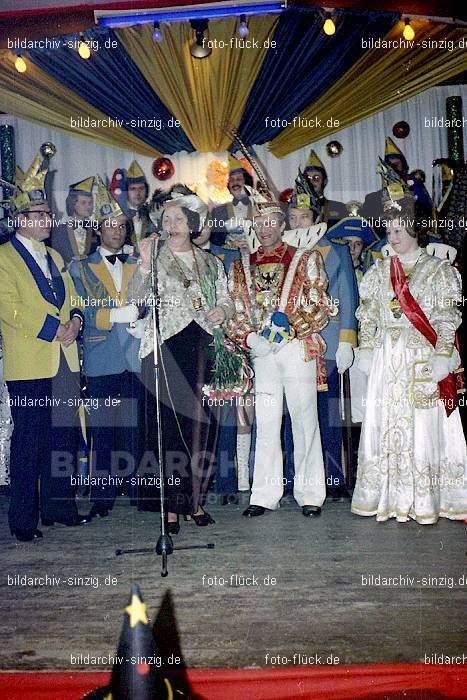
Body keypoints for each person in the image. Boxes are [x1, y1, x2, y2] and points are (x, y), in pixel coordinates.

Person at [352, 196, 466, 524]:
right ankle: (387, 497)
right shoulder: (378, 272)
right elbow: (370, 315)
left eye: (400, 230)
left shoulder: (438, 271)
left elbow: (446, 316)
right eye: (389, 231)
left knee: (425, 431)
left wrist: (444, 354)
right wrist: (368, 347)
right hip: (387, 359)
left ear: (415, 229)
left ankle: (428, 499)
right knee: (385, 426)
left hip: (422, 356)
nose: (394, 237)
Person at [127, 187, 234, 534]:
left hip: (203, 348)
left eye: (177, 219)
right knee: (168, 428)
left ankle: (194, 500)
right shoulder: (154, 259)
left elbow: (227, 300)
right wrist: (143, 264)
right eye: (165, 219)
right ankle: (170, 506)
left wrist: (223, 311)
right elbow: (134, 300)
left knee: (201, 427)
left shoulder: (211, 262)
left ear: (191, 224)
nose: (171, 224)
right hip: (165, 349)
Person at [227, 188, 336, 518]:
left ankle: (310, 494)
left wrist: (292, 328)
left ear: (281, 224)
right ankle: (264, 494)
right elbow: (237, 310)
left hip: (297, 348)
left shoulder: (305, 257)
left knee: (305, 420)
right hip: (263, 354)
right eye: (259, 223)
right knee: (267, 421)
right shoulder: (241, 265)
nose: (265, 229)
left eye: (272, 222)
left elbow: (321, 305)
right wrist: (249, 338)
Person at [0, 146, 88, 541]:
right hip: (31, 361)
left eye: (47, 214)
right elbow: (9, 307)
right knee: (29, 441)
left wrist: (76, 320)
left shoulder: (54, 255)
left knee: (62, 438)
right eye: (40, 215)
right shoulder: (4, 257)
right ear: (21, 219)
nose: (47, 219)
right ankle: (22, 520)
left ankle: (59, 508)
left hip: (64, 360)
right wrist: (54, 328)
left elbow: (73, 298)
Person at [69, 176, 142, 518]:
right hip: (101, 359)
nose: (117, 232)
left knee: (134, 429)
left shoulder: (136, 265)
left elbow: (147, 301)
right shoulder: (80, 268)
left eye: (122, 226)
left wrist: (142, 315)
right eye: (110, 226)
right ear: (98, 230)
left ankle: (138, 490)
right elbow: (79, 308)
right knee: (103, 432)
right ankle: (102, 495)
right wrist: (113, 314)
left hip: (135, 358)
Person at [287, 191, 359, 499]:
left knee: (327, 415)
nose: (297, 223)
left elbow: (348, 295)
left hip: (326, 344)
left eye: (304, 217)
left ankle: (332, 478)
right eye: (292, 218)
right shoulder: (284, 250)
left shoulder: (337, 251)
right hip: (291, 345)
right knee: (293, 415)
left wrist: (346, 341)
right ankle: (294, 479)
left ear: (317, 220)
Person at [361, 137, 432, 241]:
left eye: (396, 165)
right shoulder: (373, 199)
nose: (393, 169)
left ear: (403, 166)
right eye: (390, 165)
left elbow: (425, 215)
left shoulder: (415, 188)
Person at [49, 176, 98, 263]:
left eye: (90, 203)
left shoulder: (95, 230)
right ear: (73, 204)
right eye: (84, 203)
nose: (88, 207)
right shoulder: (59, 231)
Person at [209, 155, 254, 247]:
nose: (234, 183)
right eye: (231, 180)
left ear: (247, 182)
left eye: (239, 179)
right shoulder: (218, 212)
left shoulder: (261, 208)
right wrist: (229, 242)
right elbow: (214, 239)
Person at [303, 150, 347, 227]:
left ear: (324, 181)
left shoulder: (339, 208)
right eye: (307, 178)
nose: (311, 182)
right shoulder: (296, 210)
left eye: (316, 178)